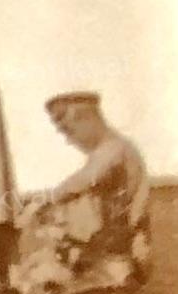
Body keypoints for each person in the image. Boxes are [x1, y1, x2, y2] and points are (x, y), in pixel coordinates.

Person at [34, 90, 151, 275]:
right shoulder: (109, 149)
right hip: (111, 253)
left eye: (69, 131)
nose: (69, 140)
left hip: (119, 261)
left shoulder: (114, 148)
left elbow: (86, 178)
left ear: (86, 120)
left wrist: (44, 201)